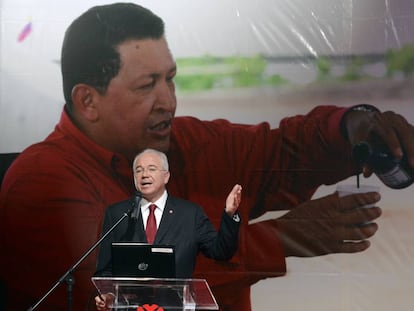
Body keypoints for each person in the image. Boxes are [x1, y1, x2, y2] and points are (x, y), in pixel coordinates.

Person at [1, 2, 414, 311]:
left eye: (170, 79)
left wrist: (352, 128)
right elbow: (128, 289)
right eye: (147, 85)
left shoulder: (187, 142)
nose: (169, 101)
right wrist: (282, 239)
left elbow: (279, 152)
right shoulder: (40, 183)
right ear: (88, 101)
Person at [94, 148, 242, 310]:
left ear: (166, 176)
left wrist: (230, 215)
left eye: (151, 169)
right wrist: (109, 295)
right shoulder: (118, 214)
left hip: (175, 306)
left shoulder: (190, 214)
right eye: (139, 170)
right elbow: (105, 269)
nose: (144, 175)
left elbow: (221, 251)